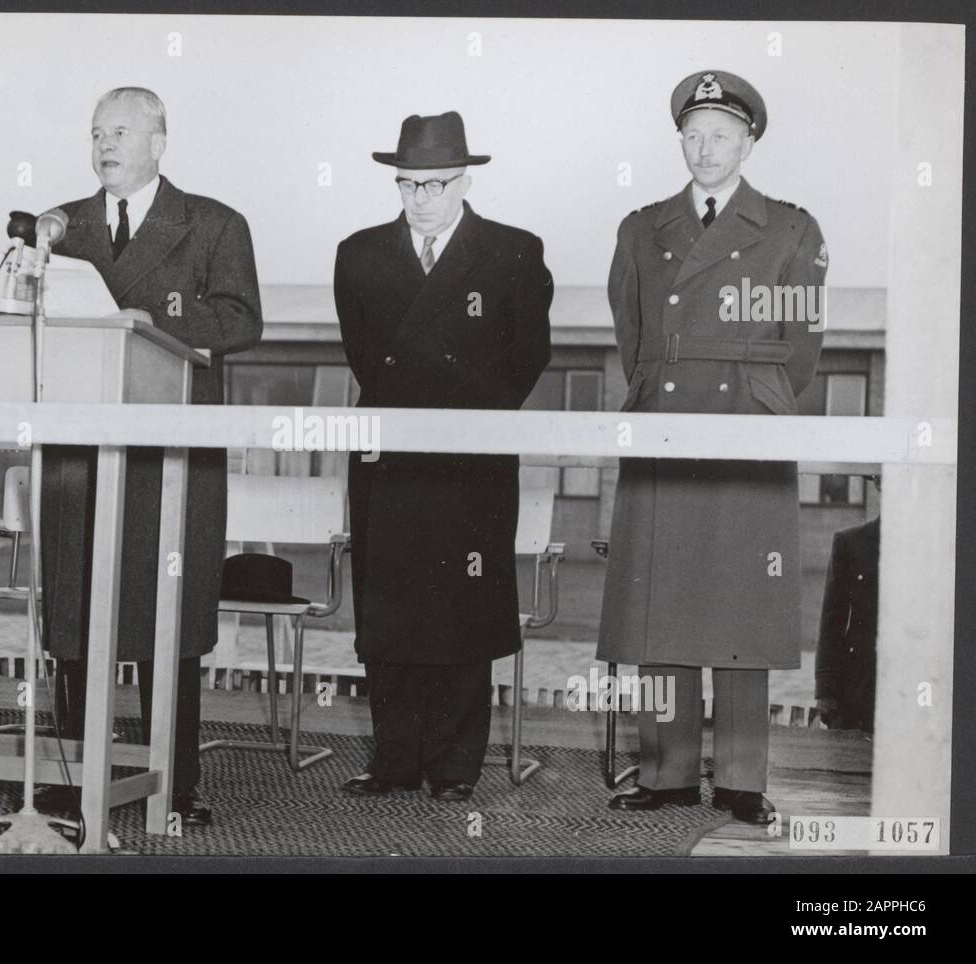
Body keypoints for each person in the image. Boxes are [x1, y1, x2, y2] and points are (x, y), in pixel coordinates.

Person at [599, 72, 827, 823]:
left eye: (721, 136)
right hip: (662, 421)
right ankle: (663, 772)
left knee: (743, 604)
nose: (705, 149)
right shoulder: (642, 227)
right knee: (661, 603)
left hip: (747, 425)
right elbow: (634, 337)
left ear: (749, 142)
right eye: (693, 135)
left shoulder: (793, 229)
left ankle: (740, 778)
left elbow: (801, 351)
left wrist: (748, 389)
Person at [36, 88, 263, 826]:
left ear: (160, 142)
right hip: (80, 445)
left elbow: (240, 319)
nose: (105, 145)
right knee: (76, 608)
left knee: (171, 615)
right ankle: (72, 777)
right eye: (96, 132)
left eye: (122, 132)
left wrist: (154, 324)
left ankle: (175, 783)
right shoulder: (58, 228)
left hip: (171, 448)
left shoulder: (216, 223)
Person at [334, 111, 552, 802]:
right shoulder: (359, 253)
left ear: (465, 180)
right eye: (408, 185)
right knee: (389, 611)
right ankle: (393, 760)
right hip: (388, 455)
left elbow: (528, 357)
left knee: (464, 612)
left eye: (435, 184)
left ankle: (456, 769)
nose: (421, 199)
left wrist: (466, 419)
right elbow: (366, 356)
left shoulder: (515, 251)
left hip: (471, 459)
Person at [815, 484, 880, 734]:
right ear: (878, 484)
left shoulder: (934, 545)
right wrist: (826, 690)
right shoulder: (851, 543)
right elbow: (832, 620)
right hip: (860, 689)